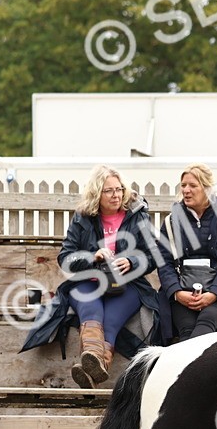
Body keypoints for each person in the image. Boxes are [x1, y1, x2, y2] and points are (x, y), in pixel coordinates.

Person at [21, 165, 163, 387]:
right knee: (92, 312)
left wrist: (132, 262)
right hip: (88, 281)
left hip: (127, 284)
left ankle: (91, 368)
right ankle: (97, 366)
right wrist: (92, 256)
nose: (116, 195)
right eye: (109, 191)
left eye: (119, 189)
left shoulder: (137, 216)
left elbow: (153, 256)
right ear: (97, 193)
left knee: (111, 321)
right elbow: (65, 258)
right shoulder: (83, 218)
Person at [157, 163, 217, 343]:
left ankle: (184, 362)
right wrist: (177, 293)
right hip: (182, 291)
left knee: (207, 320)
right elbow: (164, 262)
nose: (186, 190)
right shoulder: (171, 221)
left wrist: (213, 294)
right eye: (183, 185)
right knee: (186, 327)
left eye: (193, 185)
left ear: (207, 188)